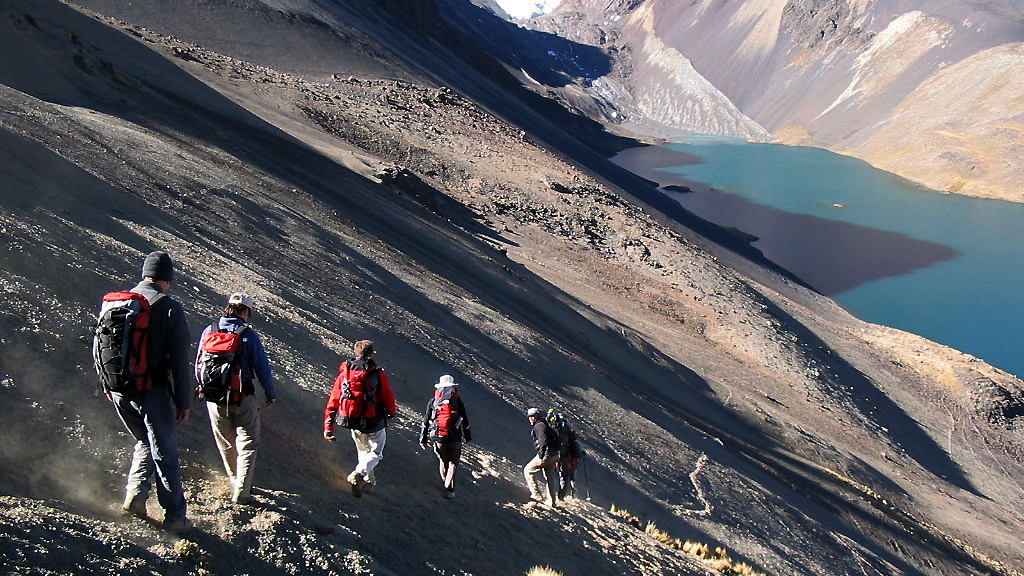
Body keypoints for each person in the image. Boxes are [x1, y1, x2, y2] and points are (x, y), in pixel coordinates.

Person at [106, 251, 193, 533]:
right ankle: (176, 517)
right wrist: (183, 401)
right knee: (165, 452)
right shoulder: (169, 308)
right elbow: (180, 361)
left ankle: (135, 497)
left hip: (119, 390)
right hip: (152, 391)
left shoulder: (117, 303)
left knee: (144, 441)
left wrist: (109, 385)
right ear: (167, 278)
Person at [194, 292, 277, 505]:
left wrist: (205, 388)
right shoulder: (247, 335)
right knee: (248, 443)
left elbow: (198, 364)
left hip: (214, 398)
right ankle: (242, 490)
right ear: (246, 311)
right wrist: (270, 393)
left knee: (225, 442)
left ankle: (234, 479)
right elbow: (262, 368)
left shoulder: (209, 330)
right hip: (242, 397)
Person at [323, 340, 396, 497]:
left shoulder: (345, 374)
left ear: (356, 352)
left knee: (363, 452)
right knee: (376, 453)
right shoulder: (377, 374)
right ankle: (357, 474)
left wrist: (328, 426)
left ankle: (369, 484)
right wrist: (391, 412)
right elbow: (388, 396)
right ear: (371, 354)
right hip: (373, 420)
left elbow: (334, 399)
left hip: (353, 419)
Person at [418, 374, 472, 499]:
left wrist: (423, 439)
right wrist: (468, 436)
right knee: (453, 463)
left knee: (443, 461)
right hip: (454, 437)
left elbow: (426, 421)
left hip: (438, 437)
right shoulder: (457, 401)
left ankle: (445, 483)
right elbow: (465, 420)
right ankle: (450, 489)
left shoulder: (433, 401)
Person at [523, 407, 559, 507]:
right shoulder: (545, 424)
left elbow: (543, 443)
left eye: (533, 416)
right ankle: (552, 502)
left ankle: (536, 495)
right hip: (554, 454)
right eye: (529, 416)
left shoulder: (539, 426)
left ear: (537, 416)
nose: (531, 418)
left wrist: (542, 457)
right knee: (550, 477)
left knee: (528, 470)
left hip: (546, 455)